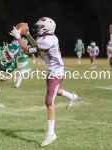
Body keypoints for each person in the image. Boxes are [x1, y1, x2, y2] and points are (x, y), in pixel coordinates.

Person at [10, 17, 78, 147]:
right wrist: (28, 34)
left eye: (40, 27)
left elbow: (28, 50)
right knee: (55, 91)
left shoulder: (49, 40)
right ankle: (72, 96)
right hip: (52, 70)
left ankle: (51, 134)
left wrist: (19, 37)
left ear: (46, 28)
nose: (38, 29)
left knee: (49, 101)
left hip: (56, 72)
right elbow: (36, 45)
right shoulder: (46, 38)